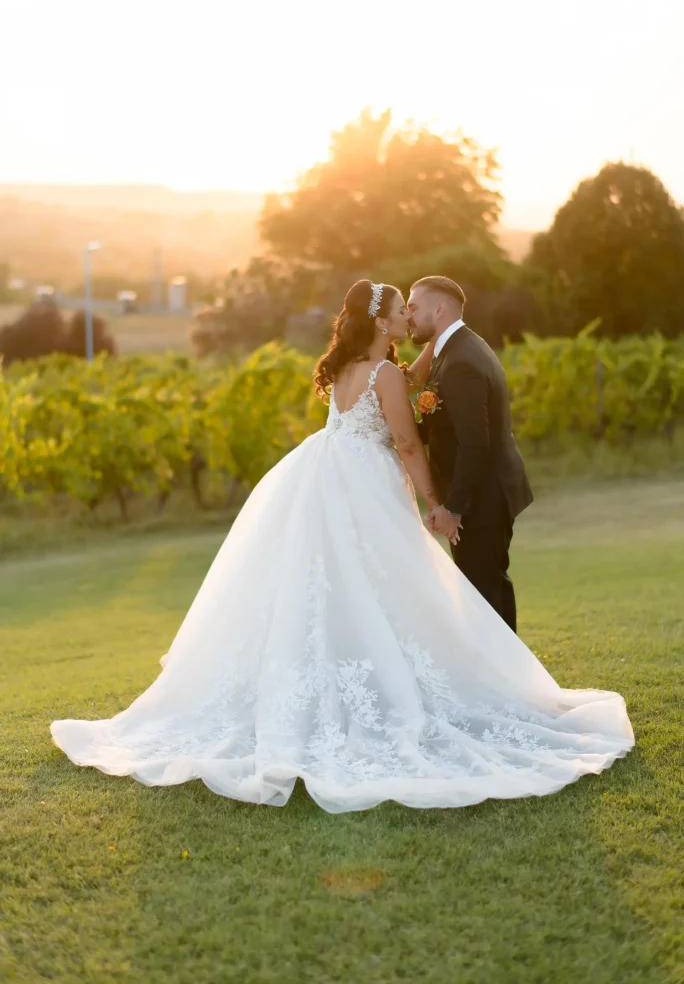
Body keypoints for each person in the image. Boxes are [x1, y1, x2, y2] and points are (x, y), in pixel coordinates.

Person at [51, 281, 633, 814]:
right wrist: (435, 504)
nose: (408, 317)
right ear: (382, 322)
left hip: (326, 476)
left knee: (330, 591)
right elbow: (406, 442)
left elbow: (403, 381)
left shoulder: (355, 367)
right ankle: (395, 695)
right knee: (385, 587)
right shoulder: (382, 374)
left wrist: (428, 353)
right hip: (368, 485)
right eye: (400, 311)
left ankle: (334, 692)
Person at [407, 275, 533, 632]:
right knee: (483, 594)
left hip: (481, 503)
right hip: (484, 497)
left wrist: (453, 508)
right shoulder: (458, 348)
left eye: (414, 307)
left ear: (440, 308)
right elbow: (444, 427)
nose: (409, 315)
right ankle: (503, 680)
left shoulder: (460, 359)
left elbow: (475, 443)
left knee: (486, 597)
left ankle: (506, 683)